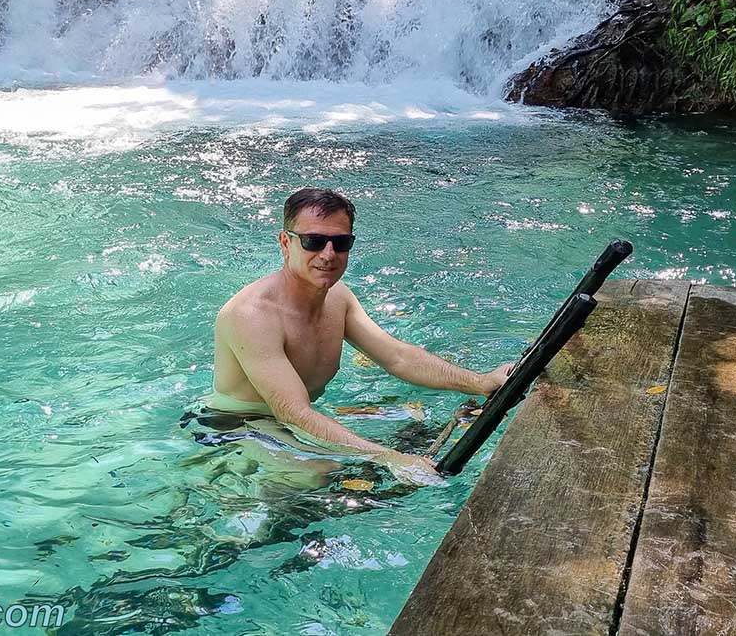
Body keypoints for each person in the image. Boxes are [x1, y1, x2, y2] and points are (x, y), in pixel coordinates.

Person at [208, 187, 515, 484]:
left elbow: (397, 357)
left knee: (415, 431)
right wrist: (388, 457)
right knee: (320, 471)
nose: (328, 254)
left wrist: (481, 381)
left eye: (341, 243)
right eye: (314, 241)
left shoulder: (337, 297)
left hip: (292, 421)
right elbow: (293, 411)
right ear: (286, 243)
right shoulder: (251, 315)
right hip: (238, 424)